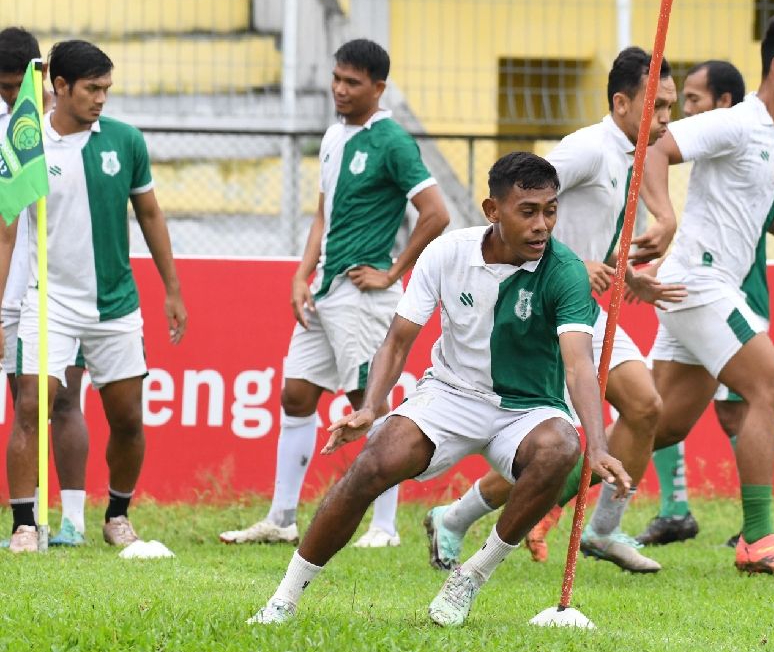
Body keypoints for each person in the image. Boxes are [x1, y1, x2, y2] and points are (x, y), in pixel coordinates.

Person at [248, 151, 630, 628]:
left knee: (563, 447)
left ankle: (470, 576)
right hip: (450, 394)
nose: (542, 225)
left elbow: (578, 366)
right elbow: (398, 338)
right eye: (527, 211)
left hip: (527, 409)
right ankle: (284, 598)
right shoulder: (448, 253)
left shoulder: (566, 271)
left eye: (550, 210)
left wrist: (598, 443)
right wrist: (370, 407)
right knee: (372, 463)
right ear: (493, 211)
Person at [422, 47, 683, 574]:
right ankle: (453, 516)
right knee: (549, 449)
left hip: (584, 305)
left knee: (646, 406)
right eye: (657, 108)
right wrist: (574, 263)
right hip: (544, 310)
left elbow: (591, 236)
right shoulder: (587, 149)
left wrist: (632, 279)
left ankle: (603, 532)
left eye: (672, 109)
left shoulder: (627, 158)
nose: (666, 121)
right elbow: (524, 203)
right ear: (621, 102)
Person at [220, 39, 449, 549]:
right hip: (324, 291)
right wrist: (301, 275)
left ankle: (385, 527)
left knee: (367, 401)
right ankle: (281, 518)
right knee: (296, 395)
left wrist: (392, 273)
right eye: (337, 78)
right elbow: (322, 214)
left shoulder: (391, 141)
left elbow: (437, 212)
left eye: (352, 82)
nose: (340, 90)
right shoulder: (332, 136)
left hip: (363, 296)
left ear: (378, 87)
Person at [642, 16, 774, 578]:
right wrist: (664, 217)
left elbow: (773, 211)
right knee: (771, 388)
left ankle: (522, 502)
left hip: (712, 288)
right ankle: (758, 538)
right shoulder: (734, 122)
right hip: (697, 282)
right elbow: (655, 149)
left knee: (658, 426)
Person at [0, 39, 187, 553]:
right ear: (59, 87)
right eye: (92, 89)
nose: (102, 98)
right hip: (49, 302)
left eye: (107, 88)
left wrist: (172, 288)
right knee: (30, 407)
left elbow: (150, 214)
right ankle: (22, 525)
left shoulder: (125, 141)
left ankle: (118, 515)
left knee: (127, 419)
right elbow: (6, 232)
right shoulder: (26, 143)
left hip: (116, 305)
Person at [639, 59, 747, 547]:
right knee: (651, 414)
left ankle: (757, 527)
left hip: (729, 291)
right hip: (691, 284)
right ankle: (672, 508)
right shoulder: (718, 152)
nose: (679, 114)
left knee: (756, 398)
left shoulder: (758, 139)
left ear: (723, 105)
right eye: (670, 104)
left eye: (692, 102)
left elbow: (770, 214)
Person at [0, 28, 91, 548]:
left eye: (18, 86)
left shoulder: (64, 129)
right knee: (25, 404)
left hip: (54, 290)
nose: (13, 98)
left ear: (40, 75)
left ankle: (73, 519)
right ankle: (27, 517)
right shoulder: (11, 128)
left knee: (62, 399)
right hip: (14, 289)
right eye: (4, 89)